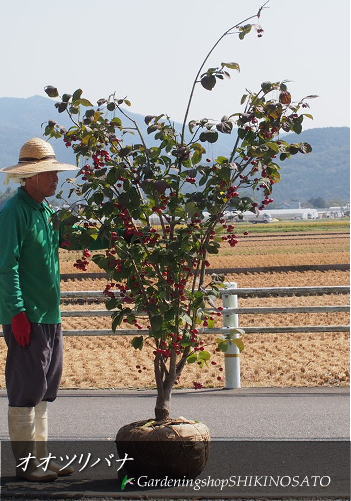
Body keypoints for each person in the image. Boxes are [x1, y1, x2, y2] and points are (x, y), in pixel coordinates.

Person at [0, 137, 79, 481]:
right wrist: (17, 312)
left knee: (44, 390)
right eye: (49, 173)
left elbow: (69, 239)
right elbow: (6, 266)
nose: (55, 179)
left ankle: (41, 462)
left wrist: (118, 236)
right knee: (26, 390)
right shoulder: (12, 213)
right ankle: (26, 466)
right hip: (28, 316)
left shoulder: (43, 211)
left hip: (49, 314)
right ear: (30, 176)